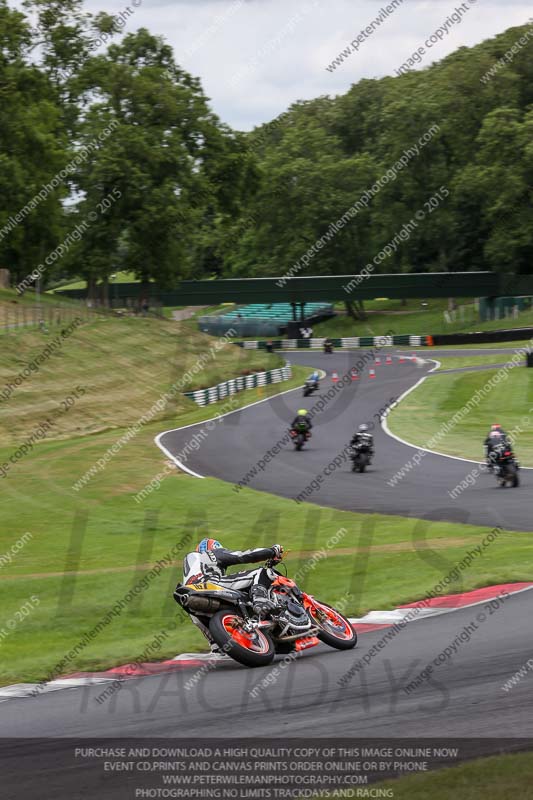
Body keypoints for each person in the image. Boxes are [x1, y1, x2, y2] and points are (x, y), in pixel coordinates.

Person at [180, 538, 284, 654]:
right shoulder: (210, 554)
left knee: (195, 616)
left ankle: (215, 646)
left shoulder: (190, 565)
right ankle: (261, 600)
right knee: (261, 572)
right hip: (209, 583)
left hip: (191, 598)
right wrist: (271, 551)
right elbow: (243, 556)